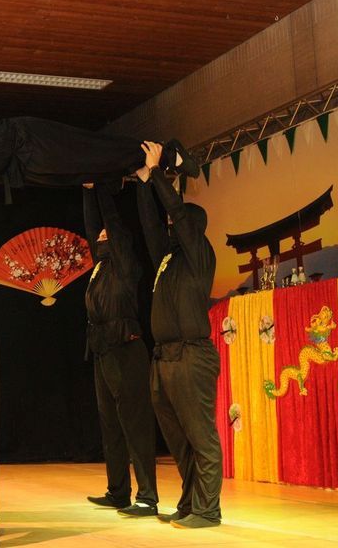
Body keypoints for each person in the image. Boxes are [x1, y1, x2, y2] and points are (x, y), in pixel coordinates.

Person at [0, 68, 200, 199]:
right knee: (81, 174)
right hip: (19, 169)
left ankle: (168, 152)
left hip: (28, 141)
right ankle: (126, 170)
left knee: (92, 150)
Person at [136, 141, 222, 529]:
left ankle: (208, 509)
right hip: (164, 357)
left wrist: (159, 173)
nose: (171, 226)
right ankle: (190, 502)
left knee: (200, 435)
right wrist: (144, 184)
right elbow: (150, 226)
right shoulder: (168, 259)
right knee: (178, 438)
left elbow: (178, 215)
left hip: (191, 355)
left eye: (178, 224)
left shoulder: (200, 254)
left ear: (192, 228)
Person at [81, 183, 159, 518]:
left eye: (106, 234)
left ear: (118, 240)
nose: (100, 235)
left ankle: (148, 497)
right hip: (102, 349)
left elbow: (110, 222)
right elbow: (91, 227)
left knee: (135, 423)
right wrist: (87, 193)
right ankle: (118, 492)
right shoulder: (100, 266)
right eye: (98, 235)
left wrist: (101, 190)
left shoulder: (125, 265)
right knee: (110, 423)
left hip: (126, 348)